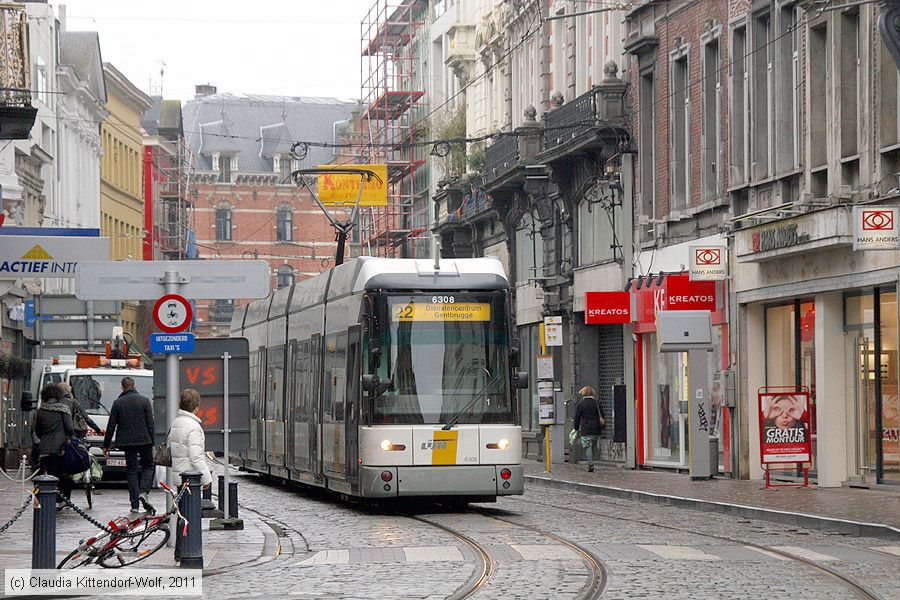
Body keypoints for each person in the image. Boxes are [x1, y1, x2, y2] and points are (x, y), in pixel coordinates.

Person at [103, 377, 155, 513]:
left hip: (127, 442)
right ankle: (144, 492)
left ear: (122, 388)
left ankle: (134, 504)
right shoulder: (145, 401)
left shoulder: (118, 403)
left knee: (131, 471)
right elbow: (150, 423)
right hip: (144, 440)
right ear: (134, 386)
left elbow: (111, 426)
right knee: (148, 466)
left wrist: (106, 445)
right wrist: (153, 442)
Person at [33, 384, 75, 508]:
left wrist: (44, 439)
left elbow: (37, 430)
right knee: (62, 474)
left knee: (45, 474)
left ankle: (43, 499)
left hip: (45, 448)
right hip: (61, 448)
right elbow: (70, 428)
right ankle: (60, 499)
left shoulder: (41, 411)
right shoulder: (64, 409)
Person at [168, 388, 213, 491]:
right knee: (191, 501)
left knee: (181, 500)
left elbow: (171, 447)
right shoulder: (193, 427)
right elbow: (196, 457)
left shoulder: (176, 422)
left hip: (179, 475)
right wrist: (206, 478)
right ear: (196, 408)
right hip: (191, 477)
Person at [573, 386, 605, 472]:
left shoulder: (581, 404)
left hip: (586, 428)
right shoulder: (597, 403)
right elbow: (602, 414)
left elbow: (577, 417)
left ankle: (591, 464)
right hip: (596, 428)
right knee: (593, 445)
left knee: (587, 447)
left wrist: (576, 428)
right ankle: (592, 459)